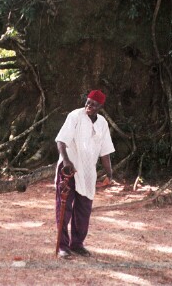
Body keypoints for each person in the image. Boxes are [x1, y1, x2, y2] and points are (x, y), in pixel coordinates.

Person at [54, 89, 115, 259]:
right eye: (88, 102)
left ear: (100, 106)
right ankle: (63, 247)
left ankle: (77, 244)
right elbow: (61, 140)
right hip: (69, 170)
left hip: (88, 172)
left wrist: (109, 173)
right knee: (64, 209)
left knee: (84, 210)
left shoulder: (102, 123)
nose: (89, 106)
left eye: (93, 104)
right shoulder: (75, 116)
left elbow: (105, 151)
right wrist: (66, 161)